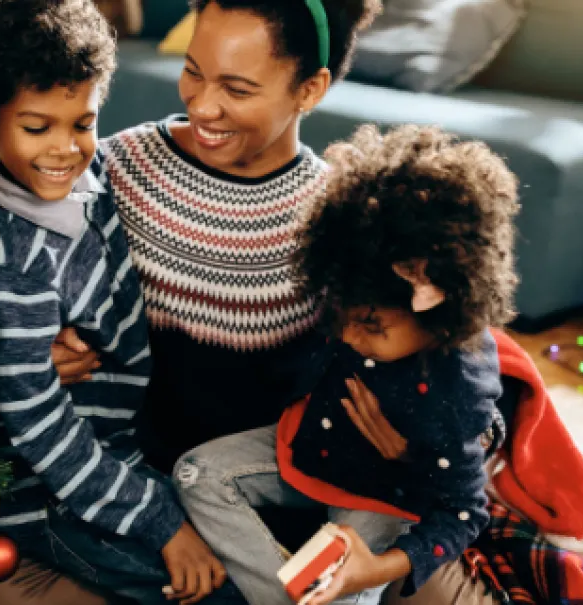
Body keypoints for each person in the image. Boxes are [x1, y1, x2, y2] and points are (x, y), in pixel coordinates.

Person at [51, 1, 506, 603]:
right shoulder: (118, 167)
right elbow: (22, 277)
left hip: (306, 493)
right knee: (6, 572)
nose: (202, 104)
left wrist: (451, 442)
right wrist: (46, 340)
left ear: (310, 88)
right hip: (156, 486)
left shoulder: (342, 220)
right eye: (193, 71)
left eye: (236, 88)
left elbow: (454, 357)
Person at [0, 1, 236, 603]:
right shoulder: (11, 256)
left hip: (116, 457)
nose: (64, 150)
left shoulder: (89, 176)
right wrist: (160, 522)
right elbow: (39, 427)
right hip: (48, 495)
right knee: (214, 586)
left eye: (83, 123)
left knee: (237, 546)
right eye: (37, 128)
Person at [171, 124, 520, 605]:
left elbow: (462, 513)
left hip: (385, 494)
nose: (348, 338)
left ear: (440, 314)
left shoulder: (455, 391)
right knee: (195, 473)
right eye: (343, 316)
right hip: (310, 452)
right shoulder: (362, 288)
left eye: (372, 327)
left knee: (338, 584)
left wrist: (375, 568)